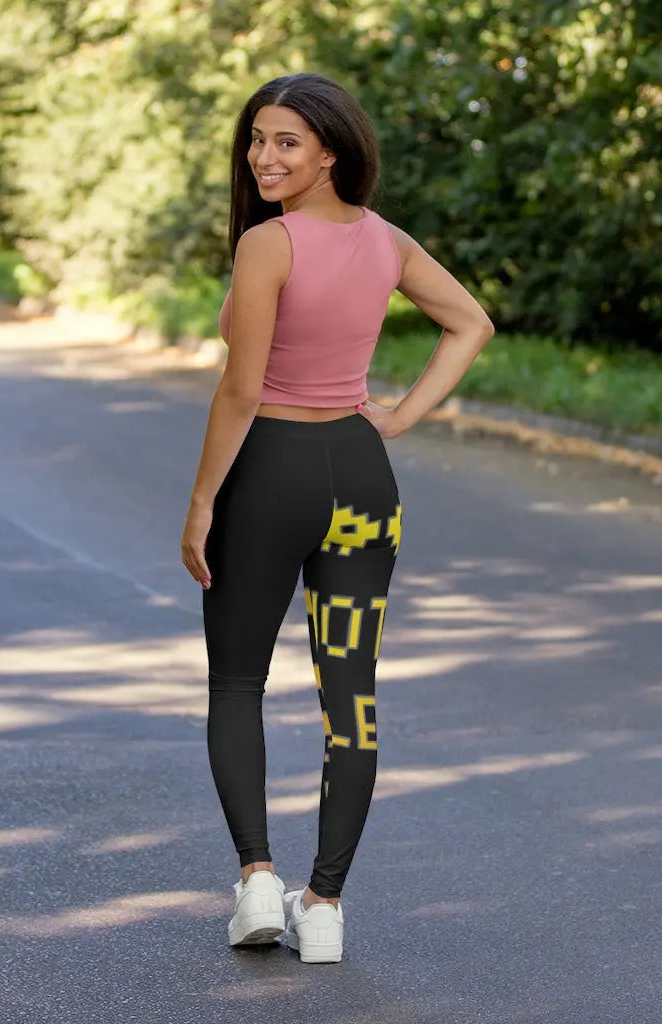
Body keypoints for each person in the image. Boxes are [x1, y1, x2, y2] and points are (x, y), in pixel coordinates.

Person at [180, 71, 494, 964]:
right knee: (349, 695)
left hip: (269, 476)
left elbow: (241, 390)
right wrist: (394, 419)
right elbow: (470, 323)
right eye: (257, 139)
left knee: (238, 684)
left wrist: (202, 500)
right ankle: (323, 907)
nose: (263, 156)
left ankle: (257, 882)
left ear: (330, 152)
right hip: (361, 480)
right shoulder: (387, 241)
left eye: (286, 141)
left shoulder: (268, 245)